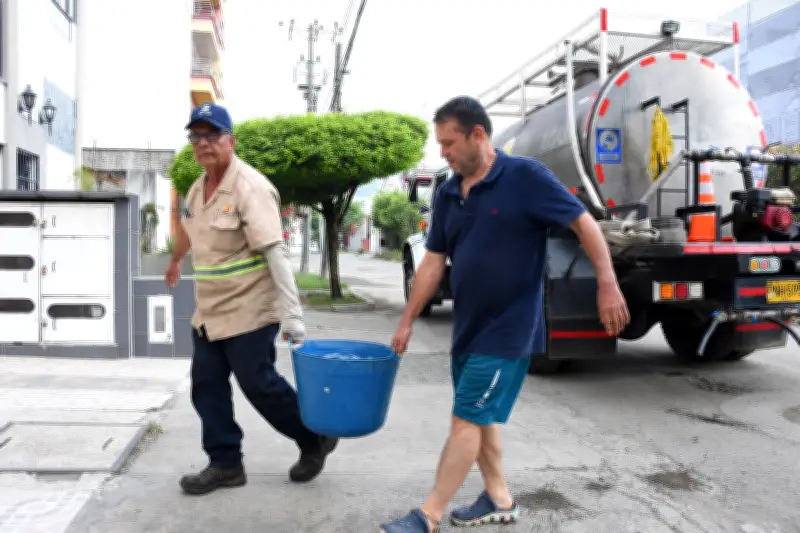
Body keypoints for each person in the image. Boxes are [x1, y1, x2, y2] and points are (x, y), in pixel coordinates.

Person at [379, 96, 629, 532]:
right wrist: (407, 320)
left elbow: (583, 223)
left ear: (479, 134)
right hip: (469, 328)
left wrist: (607, 283)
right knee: (477, 415)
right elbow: (433, 261)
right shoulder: (448, 193)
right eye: (440, 144)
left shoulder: (525, 177)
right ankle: (499, 497)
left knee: (467, 417)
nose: (443, 152)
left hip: (509, 329)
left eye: (449, 142)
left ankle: (429, 515)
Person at [165, 102, 338, 496]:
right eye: (197, 137)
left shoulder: (251, 187)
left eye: (213, 136)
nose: (204, 143)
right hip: (209, 313)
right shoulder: (197, 187)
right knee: (206, 386)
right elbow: (189, 230)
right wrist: (175, 260)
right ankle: (225, 464)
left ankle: (314, 438)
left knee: (258, 384)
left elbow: (275, 252)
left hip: (251, 310)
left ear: (231, 141)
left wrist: (293, 316)